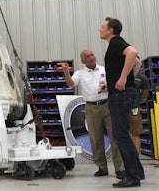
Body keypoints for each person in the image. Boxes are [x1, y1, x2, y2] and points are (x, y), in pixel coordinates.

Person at [62, 50, 124, 179]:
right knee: (96, 139)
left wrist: (109, 87)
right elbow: (70, 84)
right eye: (87, 57)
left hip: (108, 104)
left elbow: (116, 82)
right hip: (91, 108)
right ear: (83, 61)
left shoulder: (105, 69)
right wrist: (66, 72)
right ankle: (102, 167)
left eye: (92, 55)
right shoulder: (80, 73)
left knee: (115, 137)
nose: (90, 58)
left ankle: (120, 168)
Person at [99, 17, 144, 188]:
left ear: (110, 30)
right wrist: (114, 82)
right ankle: (137, 171)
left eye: (102, 27)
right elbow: (137, 62)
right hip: (121, 92)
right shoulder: (115, 44)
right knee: (123, 134)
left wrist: (124, 78)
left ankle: (132, 176)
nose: (100, 29)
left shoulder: (116, 42)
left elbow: (133, 53)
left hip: (120, 95)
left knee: (121, 135)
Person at [130, 70, 149, 154]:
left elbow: (145, 93)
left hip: (134, 109)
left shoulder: (141, 77)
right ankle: (123, 161)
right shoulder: (121, 73)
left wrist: (137, 101)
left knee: (136, 134)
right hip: (121, 109)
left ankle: (136, 159)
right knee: (122, 134)